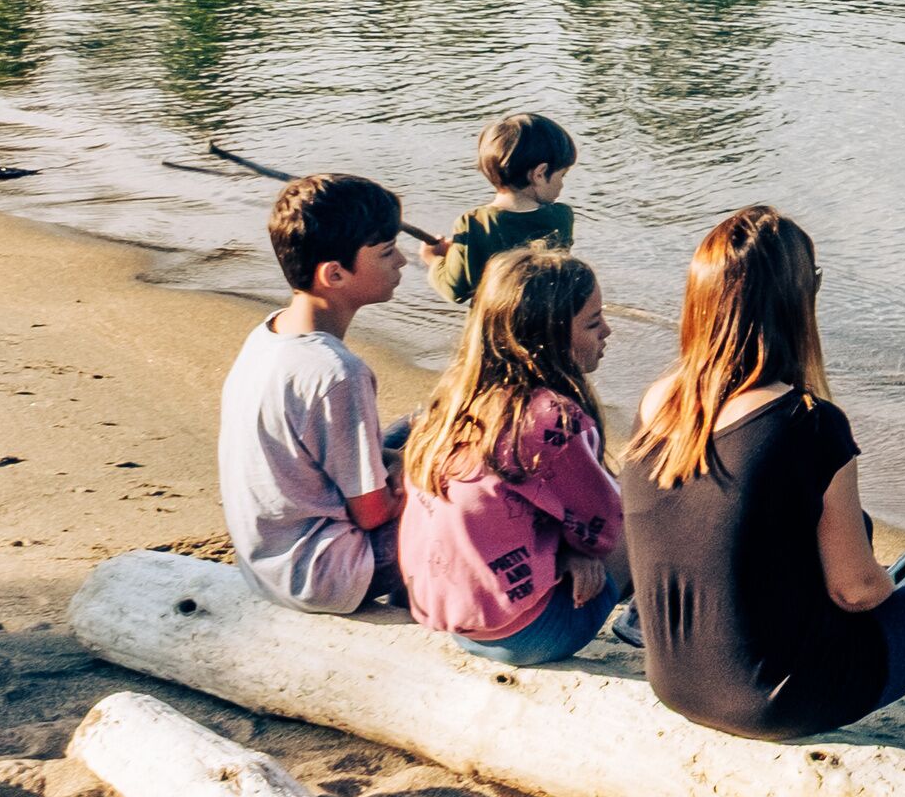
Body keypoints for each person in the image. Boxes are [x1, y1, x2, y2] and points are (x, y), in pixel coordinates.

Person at [619, 207, 905, 761]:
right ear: (801, 298)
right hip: (777, 700)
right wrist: (892, 587)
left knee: (839, 531)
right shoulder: (808, 422)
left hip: (677, 682)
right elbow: (856, 591)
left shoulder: (659, 401)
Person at [396, 247, 627, 665]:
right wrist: (583, 548)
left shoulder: (454, 405)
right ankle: (642, 624)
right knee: (641, 503)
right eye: (594, 322)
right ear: (550, 338)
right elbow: (606, 528)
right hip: (531, 630)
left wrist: (569, 550)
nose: (607, 331)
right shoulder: (550, 418)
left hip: (457, 622)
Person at [217, 172, 409, 614]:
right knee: (476, 490)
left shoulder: (271, 332)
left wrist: (403, 461)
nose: (401, 260)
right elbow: (374, 515)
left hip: (266, 558)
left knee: (423, 428)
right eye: (386, 252)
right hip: (320, 575)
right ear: (335, 274)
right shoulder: (337, 373)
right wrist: (416, 476)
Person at [426, 112, 578, 307]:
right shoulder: (561, 217)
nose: (562, 185)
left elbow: (456, 290)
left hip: (491, 331)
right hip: (549, 327)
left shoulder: (473, 223)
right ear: (540, 174)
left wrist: (435, 259)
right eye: (562, 175)